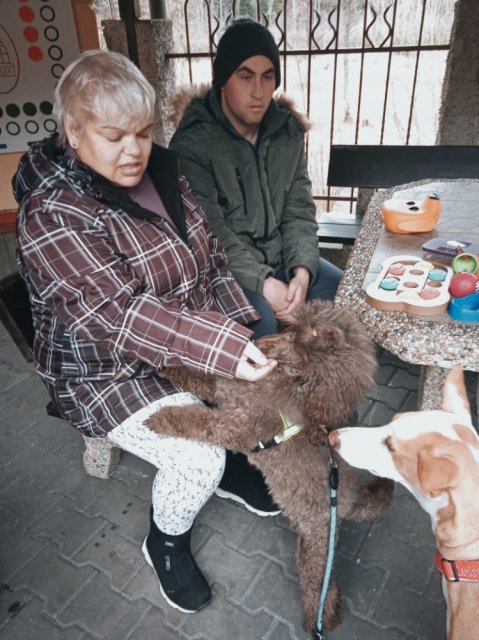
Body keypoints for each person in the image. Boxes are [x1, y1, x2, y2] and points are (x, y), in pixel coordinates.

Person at [13, 50, 279, 615]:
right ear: (74, 132)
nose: (134, 150)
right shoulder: (52, 214)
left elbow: (210, 262)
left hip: (178, 341)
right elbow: (118, 315)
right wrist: (221, 347)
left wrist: (239, 332)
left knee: (259, 393)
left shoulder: (162, 171)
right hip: (104, 370)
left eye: (142, 131)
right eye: (114, 136)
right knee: (196, 458)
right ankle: (166, 542)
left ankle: (229, 466)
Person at [169, 17, 343, 338]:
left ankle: (322, 371)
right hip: (227, 270)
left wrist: (301, 273)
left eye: (268, 77)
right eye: (245, 76)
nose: (259, 92)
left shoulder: (286, 134)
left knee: (343, 297)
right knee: (259, 327)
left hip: (281, 258)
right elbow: (210, 233)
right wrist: (265, 284)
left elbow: (298, 212)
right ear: (223, 80)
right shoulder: (193, 144)